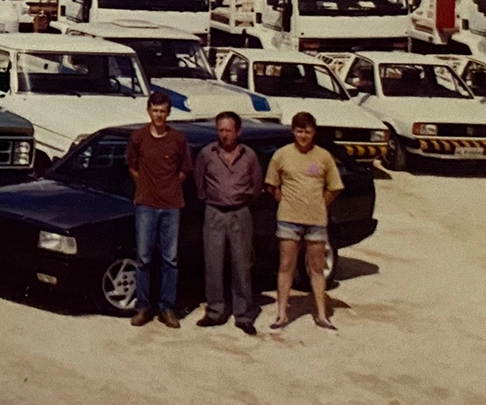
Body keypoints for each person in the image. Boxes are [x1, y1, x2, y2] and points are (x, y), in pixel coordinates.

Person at [265, 111, 343, 331]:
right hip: (288, 220)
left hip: (316, 221)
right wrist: (284, 200)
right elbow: (271, 184)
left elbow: (334, 187)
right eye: (299, 131)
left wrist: (319, 204)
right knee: (286, 266)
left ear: (314, 132)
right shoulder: (281, 155)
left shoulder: (324, 157)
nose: (303, 136)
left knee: (317, 269)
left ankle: (322, 314)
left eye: (307, 131)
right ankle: (281, 315)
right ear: (293, 131)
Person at [125, 91, 193, 328]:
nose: (159, 115)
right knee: (143, 257)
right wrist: (145, 185)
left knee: (170, 259)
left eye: (163, 111)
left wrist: (171, 186)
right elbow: (132, 166)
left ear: (169, 112)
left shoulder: (178, 139)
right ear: (148, 111)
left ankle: (167, 308)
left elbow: (184, 170)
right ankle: (143, 306)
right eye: (155, 111)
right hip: (145, 205)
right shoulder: (138, 137)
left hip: (172, 206)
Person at [194, 110, 262, 334]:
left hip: (240, 213)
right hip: (214, 212)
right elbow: (199, 182)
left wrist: (240, 201)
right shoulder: (207, 154)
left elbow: (256, 185)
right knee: (213, 263)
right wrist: (211, 200)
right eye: (220, 130)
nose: (224, 135)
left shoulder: (249, 156)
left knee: (242, 264)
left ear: (238, 131)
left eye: (228, 130)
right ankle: (215, 311)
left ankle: (242, 314)